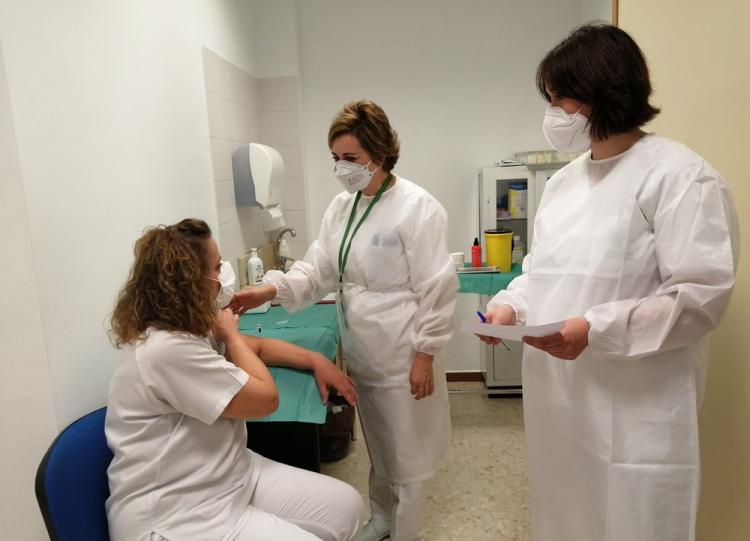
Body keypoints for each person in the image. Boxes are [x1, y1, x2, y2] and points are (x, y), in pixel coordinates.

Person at [478, 24, 739, 541]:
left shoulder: (680, 176)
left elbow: (700, 296)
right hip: (560, 404)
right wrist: (511, 307)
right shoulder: (564, 183)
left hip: (636, 404)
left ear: (604, 93)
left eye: (560, 98)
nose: (553, 113)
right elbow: (542, 272)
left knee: (633, 518)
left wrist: (594, 328)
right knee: (567, 513)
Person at [229, 100, 458, 541]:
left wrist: (425, 354)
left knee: (406, 457)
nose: (341, 168)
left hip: (403, 350)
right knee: (380, 446)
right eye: (335, 158)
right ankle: (383, 520)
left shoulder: (417, 207)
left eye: (350, 159)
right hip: (364, 352)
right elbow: (318, 269)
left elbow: (437, 287)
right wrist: (269, 288)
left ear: (381, 153)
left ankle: (407, 531)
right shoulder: (343, 206)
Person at [106, 218, 362, 541]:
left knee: (347, 508)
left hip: (230, 474)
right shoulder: (165, 350)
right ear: (190, 282)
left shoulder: (187, 326)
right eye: (216, 266)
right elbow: (266, 399)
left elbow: (258, 347)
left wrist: (314, 360)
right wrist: (230, 334)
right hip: (179, 512)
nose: (223, 273)